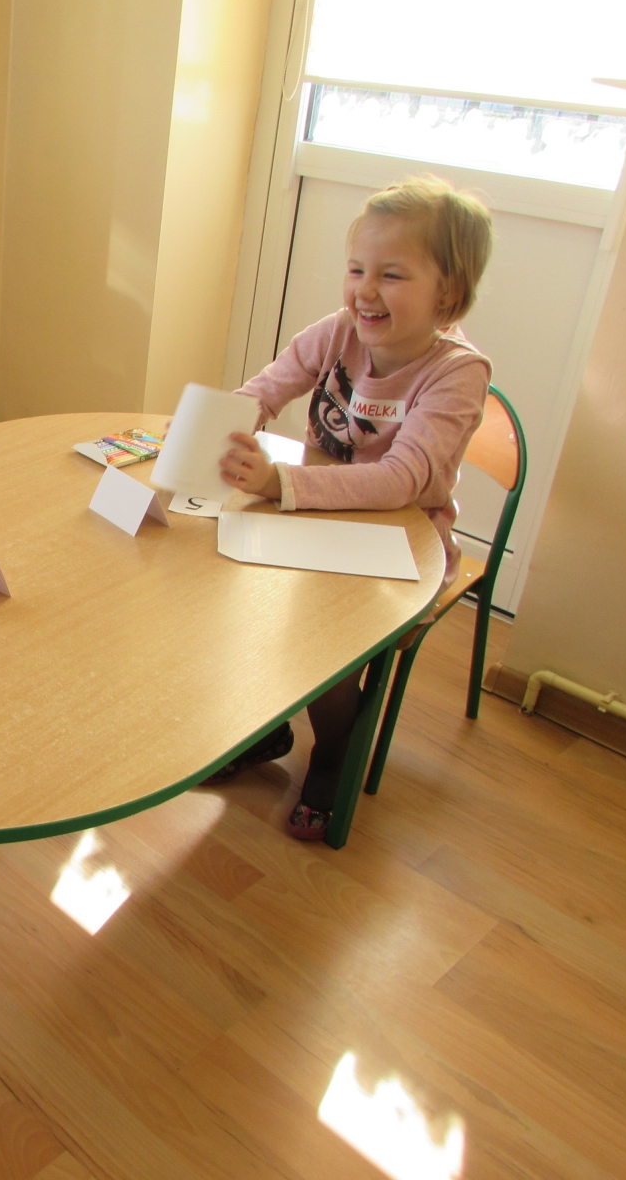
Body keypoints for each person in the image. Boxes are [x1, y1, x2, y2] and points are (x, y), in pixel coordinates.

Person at [204, 175, 494, 841]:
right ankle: (268, 728)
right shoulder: (340, 332)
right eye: (357, 269)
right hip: (315, 520)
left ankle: (333, 751)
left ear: (448, 292)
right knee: (225, 589)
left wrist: (279, 483)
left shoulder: (457, 372)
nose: (364, 290)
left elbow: (401, 481)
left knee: (329, 647)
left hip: (404, 545)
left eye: (391, 275)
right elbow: (266, 388)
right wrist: (215, 429)